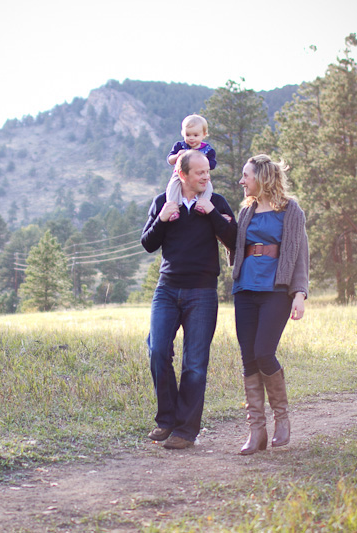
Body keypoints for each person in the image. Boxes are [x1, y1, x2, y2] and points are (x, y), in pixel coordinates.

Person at [141, 149, 236, 450]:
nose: (206, 176)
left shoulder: (216, 202)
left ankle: (186, 431)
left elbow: (235, 239)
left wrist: (211, 213)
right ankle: (166, 419)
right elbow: (147, 243)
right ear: (182, 174)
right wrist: (162, 218)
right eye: (200, 172)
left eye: (208, 171)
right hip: (167, 289)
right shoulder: (163, 202)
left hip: (203, 292)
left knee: (194, 364)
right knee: (157, 350)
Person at [230, 154, 309, 454]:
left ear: (261, 177)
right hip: (244, 289)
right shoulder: (246, 211)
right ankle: (256, 431)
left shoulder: (291, 210)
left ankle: (282, 419)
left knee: (264, 352)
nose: (241, 181)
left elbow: (300, 254)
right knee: (248, 358)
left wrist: (299, 294)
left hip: (276, 290)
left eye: (246, 176)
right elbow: (235, 246)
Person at [164, 114, 217, 221]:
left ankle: (202, 205)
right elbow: (170, 160)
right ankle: (173, 209)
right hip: (179, 174)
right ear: (183, 133)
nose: (191, 138)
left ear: (204, 134)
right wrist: (177, 155)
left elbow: (212, 164)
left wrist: (203, 161)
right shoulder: (180, 146)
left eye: (195, 135)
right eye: (188, 135)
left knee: (209, 187)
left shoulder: (207, 150)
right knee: (173, 186)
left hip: (201, 176)